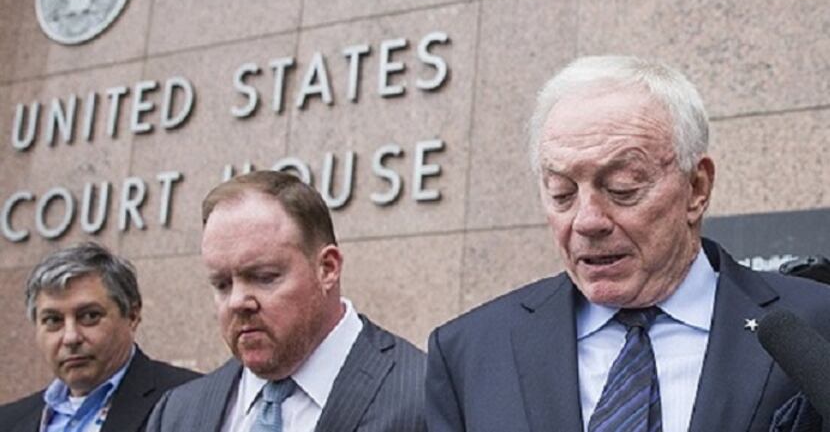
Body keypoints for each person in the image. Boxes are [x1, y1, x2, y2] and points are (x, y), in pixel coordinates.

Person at [425, 56, 830, 432]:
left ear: (696, 188)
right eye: (562, 193)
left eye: (622, 189)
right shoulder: (469, 350)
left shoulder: (816, 322)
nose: (587, 221)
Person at [147, 170, 426, 432]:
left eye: (264, 277)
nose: (237, 302)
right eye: (222, 284)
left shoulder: (426, 394)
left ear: (327, 269)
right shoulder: (177, 413)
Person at [0, 242, 198, 432]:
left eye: (89, 316)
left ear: (132, 315)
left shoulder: (192, 400)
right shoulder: (8, 421)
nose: (71, 338)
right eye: (53, 320)